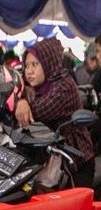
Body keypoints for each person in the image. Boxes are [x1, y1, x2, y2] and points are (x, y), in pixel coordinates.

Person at [15, 37, 95, 187]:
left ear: (48, 63)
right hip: (51, 162)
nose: (29, 71)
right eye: (26, 65)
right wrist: (21, 100)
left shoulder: (64, 87)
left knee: (71, 209)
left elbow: (37, 111)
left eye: (35, 64)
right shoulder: (38, 88)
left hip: (76, 164)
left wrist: (22, 102)